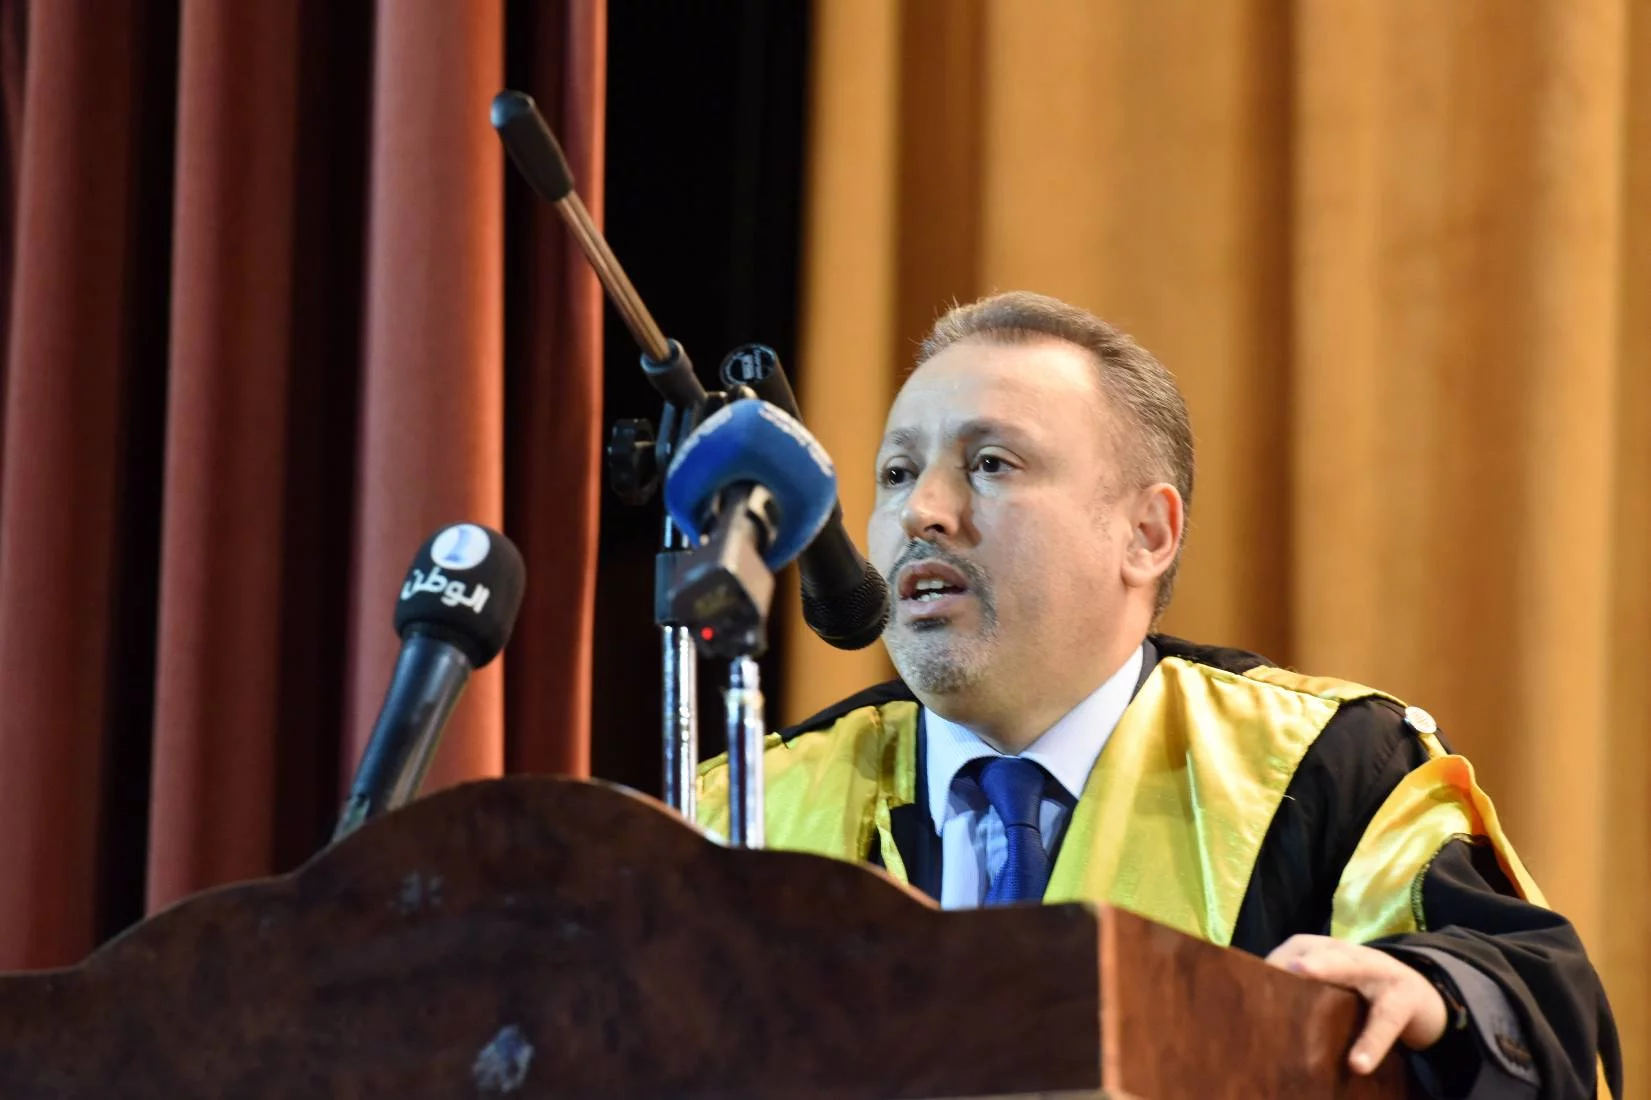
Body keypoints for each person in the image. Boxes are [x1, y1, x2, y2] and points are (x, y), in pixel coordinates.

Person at [697, 291, 1620, 1099]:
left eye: (991, 464)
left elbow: (1537, 1008)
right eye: (897, 474)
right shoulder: (748, 808)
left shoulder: (1330, 770)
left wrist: (1437, 999)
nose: (921, 511)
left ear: (1146, 533)